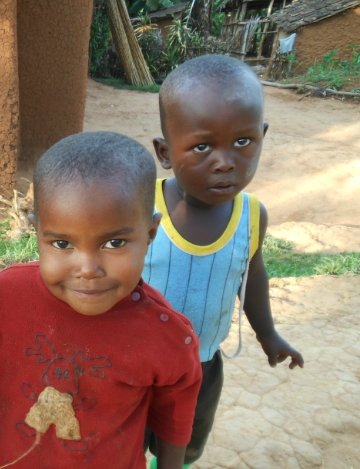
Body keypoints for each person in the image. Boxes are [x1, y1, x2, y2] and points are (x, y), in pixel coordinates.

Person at [0, 131, 203, 468]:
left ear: (149, 235)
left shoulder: (167, 336)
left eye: (115, 243)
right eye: (62, 244)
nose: (88, 270)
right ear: (37, 232)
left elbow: (174, 422)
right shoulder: (5, 295)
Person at [142, 54, 305, 468]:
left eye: (244, 141)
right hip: (136, 361)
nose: (226, 160)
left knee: (183, 447)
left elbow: (250, 279)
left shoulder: (252, 217)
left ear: (262, 135)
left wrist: (268, 334)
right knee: (124, 439)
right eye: (202, 146)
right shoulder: (142, 208)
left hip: (202, 365)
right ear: (164, 152)